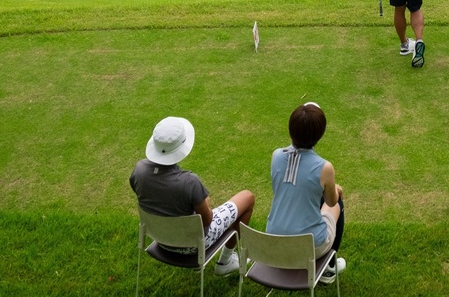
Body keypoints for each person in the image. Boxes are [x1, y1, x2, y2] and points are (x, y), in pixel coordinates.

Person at [130, 116, 255, 276]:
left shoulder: (139, 170)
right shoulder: (189, 182)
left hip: (160, 239)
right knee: (247, 197)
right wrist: (206, 203)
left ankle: (226, 260)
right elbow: (207, 220)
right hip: (193, 244)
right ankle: (225, 261)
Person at [266, 102, 346, 284]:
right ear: (319, 134)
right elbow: (331, 202)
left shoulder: (276, 155)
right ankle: (328, 268)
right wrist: (335, 189)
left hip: (273, 241)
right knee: (338, 204)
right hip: (308, 246)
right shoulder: (325, 168)